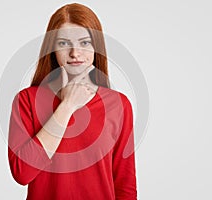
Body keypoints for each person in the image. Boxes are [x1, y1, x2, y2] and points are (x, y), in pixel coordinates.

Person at [8, 3, 137, 200]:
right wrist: (67, 106)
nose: (75, 53)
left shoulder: (119, 105)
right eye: (63, 43)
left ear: (97, 47)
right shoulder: (26, 100)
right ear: (52, 49)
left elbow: (125, 185)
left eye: (85, 43)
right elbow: (22, 173)